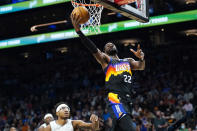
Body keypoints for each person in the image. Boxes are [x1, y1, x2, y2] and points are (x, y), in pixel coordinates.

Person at [71, 13, 145, 131]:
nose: (110, 44)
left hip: (128, 100)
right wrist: (79, 32)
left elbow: (141, 66)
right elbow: (93, 49)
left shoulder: (128, 61)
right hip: (115, 100)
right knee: (130, 128)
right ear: (104, 52)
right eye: (107, 46)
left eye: (111, 44)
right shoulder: (106, 61)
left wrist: (141, 58)